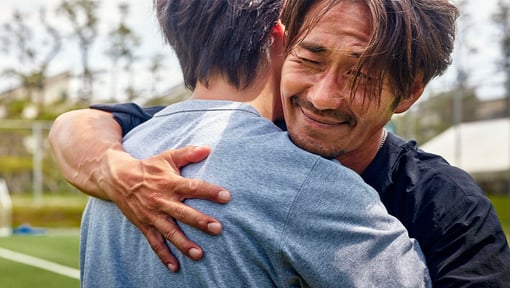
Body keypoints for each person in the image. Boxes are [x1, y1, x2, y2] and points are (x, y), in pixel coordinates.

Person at [49, 0, 510, 287]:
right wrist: (115, 170)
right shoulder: (205, 139)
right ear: (284, 46)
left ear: (409, 92)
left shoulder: (448, 206)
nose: (324, 97)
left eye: (364, 74)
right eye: (311, 59)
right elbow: (79, 124)